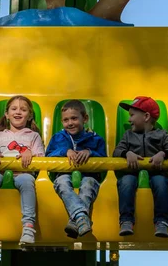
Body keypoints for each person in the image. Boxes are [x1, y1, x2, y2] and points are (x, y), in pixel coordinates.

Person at [0, 95, 45, 245]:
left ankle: (28, 227)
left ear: (29, 116)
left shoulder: (33, 136)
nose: (18, 112)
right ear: (7, 114)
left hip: (22, 173)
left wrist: (30, 153)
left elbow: (41, 157)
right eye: (14, 109)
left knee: (27, 182)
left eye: (23, 110)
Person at [113, 96, 168, 238]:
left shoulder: (161, 135)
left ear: (146, 116)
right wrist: (127, 153)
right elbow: (116, 152)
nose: (129, 120)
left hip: (156, 172)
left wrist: (163, 153)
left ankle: (161, 222)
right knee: (126, 182)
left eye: (132, 115)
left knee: (161, 182)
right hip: (132, 172)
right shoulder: (128, 135)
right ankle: (126, 220)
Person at [45, 100, 107, 239]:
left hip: (89, 175)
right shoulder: (58, 138)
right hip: (64, 174)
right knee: (62, 184)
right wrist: (65, 151)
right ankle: (81, 216)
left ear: (84, 118)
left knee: (88, 186)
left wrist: (90, 152)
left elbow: (104, 158)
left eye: (74, 118)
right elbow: (48, 155)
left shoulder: (96, 139)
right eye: (66, 120)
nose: (70, 123)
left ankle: (75, 221)